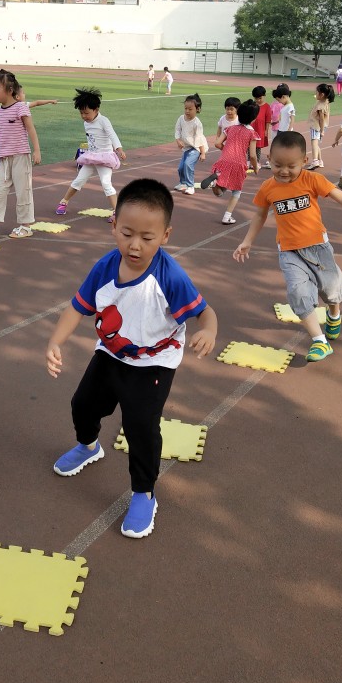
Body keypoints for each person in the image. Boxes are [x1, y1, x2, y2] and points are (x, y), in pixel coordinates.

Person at [46, 178, 217, 539]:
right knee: (83, 405)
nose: (135, 245)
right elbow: (77, 307)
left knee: (140, 426)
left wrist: (209, 331)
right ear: (114, 225)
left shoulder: (170, 276)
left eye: (147, 237)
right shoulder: (104, 267)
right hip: (111, 352)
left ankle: (144, 493)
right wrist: (55, 342)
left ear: (165, 236)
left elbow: (205, 312)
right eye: (126, 233)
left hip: (154, 362)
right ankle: (88, 446)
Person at [233, 130, 342, 362]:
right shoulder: (267, 188)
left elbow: (341, 196)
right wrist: (247, 241)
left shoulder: (312, 180)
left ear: (304, 161)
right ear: (269, 159)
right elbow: (260, 215)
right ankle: (319, 341)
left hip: (318, 247)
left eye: (291, 166)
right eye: (278, 165)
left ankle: (334, 314)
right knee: (298, 293)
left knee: (332, 291)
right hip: (289, 252)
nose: (284, 171)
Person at [0, 68, 41, 239]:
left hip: (20, 156)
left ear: (9, 90)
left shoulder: (20, 108)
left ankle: (25, 226)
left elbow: (31, 129)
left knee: (23, 191)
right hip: (3, 159)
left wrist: (37, 150)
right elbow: (1, 133)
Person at [54, 88, 126, 220]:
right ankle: (63, 202)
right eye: (81, 113)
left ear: (96, 110)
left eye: (86, 113)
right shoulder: (86, 123)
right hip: (92, 157)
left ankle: (117, 212)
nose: (83, 116)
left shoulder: (104, 121)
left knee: (106, 184)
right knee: (79, 180)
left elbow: (112, 135)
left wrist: (119, 148)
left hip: (105, 158)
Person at [200, 99, 259, 224]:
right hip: (239, 163)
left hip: (224, 160)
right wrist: (255, 168)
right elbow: (253, 156)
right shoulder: (252, 133)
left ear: (238, 113)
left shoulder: (230, 128)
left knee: (221, 191)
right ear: (254, 118)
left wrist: (226, 150)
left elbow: (217, 143)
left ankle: (215, 183)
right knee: (236, 191)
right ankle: (227, 217)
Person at [0, 90, 57, 180]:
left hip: (7, 146)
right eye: (23, 93)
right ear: (17, 97)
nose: (24, 94)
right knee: (11, 161)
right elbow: (36, 103)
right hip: (17, 147)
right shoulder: (23, 105)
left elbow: (37, 103)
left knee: (6, 158)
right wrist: (50, 101)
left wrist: (50, 101)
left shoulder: (22, 106)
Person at [173, 92, 207, 195]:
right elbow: (177, 130)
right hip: (187, 147)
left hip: (196, 148)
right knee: (181, 168)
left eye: (190, 109)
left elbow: (199, 138)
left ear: (197, 109)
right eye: (186, 108)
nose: (187, 111)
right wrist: (178, 140)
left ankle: (190, 186)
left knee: (188, 164)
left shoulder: (197, 123)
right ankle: (183, 183)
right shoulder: (181, 118)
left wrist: (202, 153)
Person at [306, 83, 335, 170]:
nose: (315, 94)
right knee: (316, 144)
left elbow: (321, 119)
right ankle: (320, 160)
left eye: (317, 92)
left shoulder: (320, 106)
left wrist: (322, 131)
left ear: (322, 94)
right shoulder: (325, 101)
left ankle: (315, 160)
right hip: (320, 126)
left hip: (316, 126)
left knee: (314, 143)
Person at [251, 86, 271, 168]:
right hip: (251, 128)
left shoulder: (267, 106)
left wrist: (266, 130)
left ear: (264, 96)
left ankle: (257, 162)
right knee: (249, 146)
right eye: (256, 98)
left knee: (258, 146)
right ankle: (249, 161)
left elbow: (268, 120)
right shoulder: (252, 105)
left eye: (260, 98)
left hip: (260, 129)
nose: (258, 100)